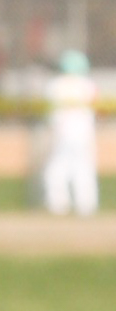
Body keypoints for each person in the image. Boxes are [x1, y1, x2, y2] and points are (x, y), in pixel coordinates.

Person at [41, 48, 99, 216]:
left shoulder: (54, 84)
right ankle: (86, 205)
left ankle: (58, 204)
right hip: (84, 132)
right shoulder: (88, 84)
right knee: (83, 168)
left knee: (58, 168)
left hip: (62, 132)